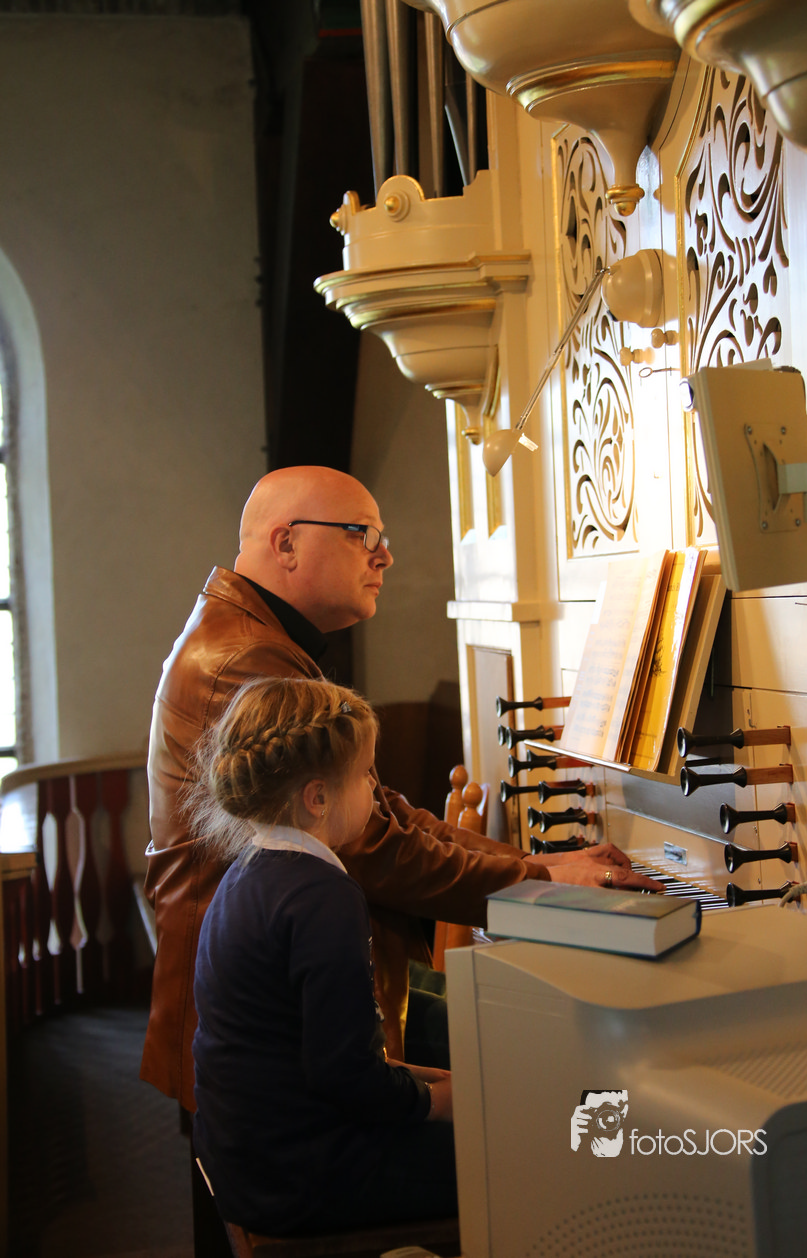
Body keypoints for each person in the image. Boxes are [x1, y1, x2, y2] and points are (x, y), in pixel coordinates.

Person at [142, 465, 661, 1111]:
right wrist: (538, 882)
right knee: (534, 1093)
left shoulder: (260, 639)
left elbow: (380, 812)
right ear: (286, 543)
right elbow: (369, 845)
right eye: (361, 533)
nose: (384, 555)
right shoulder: (245, 659)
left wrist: (540, 868)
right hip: (268, 1046)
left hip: (280, 1008)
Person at [189, 675, 457, 1236]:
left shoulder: (246, 875)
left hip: (248, 1157)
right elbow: (344, 1074)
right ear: (317, 798)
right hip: (303, 1174)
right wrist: (435, 1103)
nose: (374, 788)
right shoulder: (323, 896)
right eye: (365, 774)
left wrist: (421, 1079)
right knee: (503, 1151)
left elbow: (311, 1049)